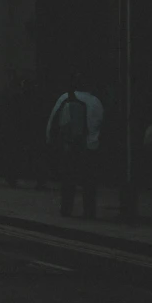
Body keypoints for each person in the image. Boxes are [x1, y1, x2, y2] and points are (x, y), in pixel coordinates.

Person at [46, 81, 104, 218]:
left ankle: (66, 210)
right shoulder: (96, 101)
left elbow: (53, 121)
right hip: (89, 146)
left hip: (69, 146)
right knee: (89, 182)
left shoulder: (65, 97)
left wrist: (50, 140)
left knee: (68, 180)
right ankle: (89, 212)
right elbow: (99, 125)